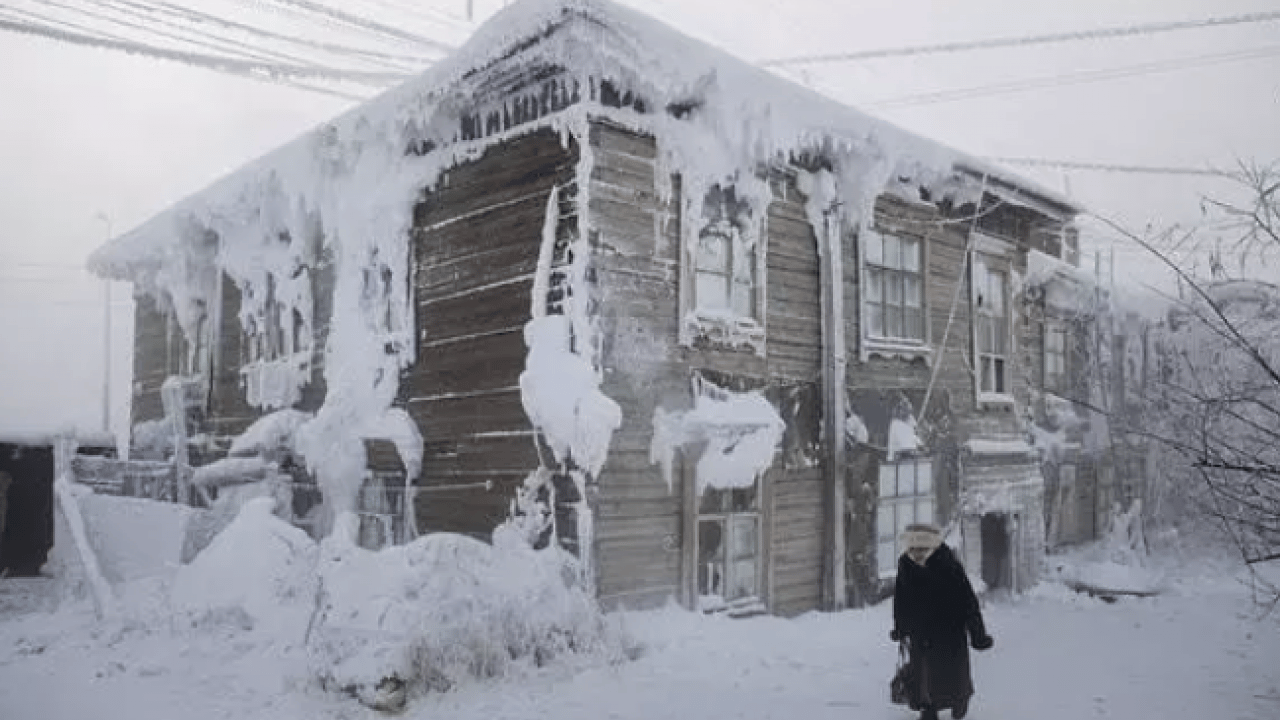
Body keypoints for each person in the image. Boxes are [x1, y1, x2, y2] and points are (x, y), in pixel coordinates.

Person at [891, 523, 993, 720]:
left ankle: (959, 701)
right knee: (923, 674)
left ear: (932, 547)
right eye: (913, 549)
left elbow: (968, 603)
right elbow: (901, 600)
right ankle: (928, 707)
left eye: (922, 549)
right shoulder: (905, 565)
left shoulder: (950, 566)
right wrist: (900, 628)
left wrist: (978, 635)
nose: (917, 554)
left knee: (953, 675)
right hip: (920, 633)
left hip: (949, 633)